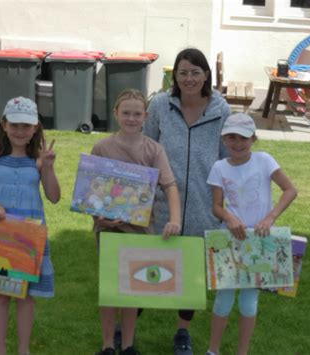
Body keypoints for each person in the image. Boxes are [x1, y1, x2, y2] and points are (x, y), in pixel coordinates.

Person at [143, 47, 231, 354]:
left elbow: (226, 160)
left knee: (192, 273)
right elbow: (146, 147)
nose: (189, 79)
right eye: (183, 73)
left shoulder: (222, 110)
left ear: (206, 74)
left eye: (195, 72)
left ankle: (183, 332)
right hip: (161, 201)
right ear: (174, 76)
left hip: (204, 204)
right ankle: (125, 326)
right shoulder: (159, 106)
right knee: (147, 262)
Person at [0, 96, 61, 355]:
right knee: (0, 292)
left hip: (28, 233)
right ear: (4, 125)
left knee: (25, 294)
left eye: (26, 126)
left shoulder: (39, 158)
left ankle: (23, 349)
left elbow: (53, 196)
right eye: (14, 125)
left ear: (35, 127)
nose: (19, 131)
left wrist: (48, 168)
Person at [92, 89, 182, 355]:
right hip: (107, 232)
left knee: (133, 287)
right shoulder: (102, 147)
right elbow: (91, 190)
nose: (131, 118)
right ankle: (108, 344)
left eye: (137, 114)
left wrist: (175, 219)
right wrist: (98, 217)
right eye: (126, 113)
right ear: (116, 113)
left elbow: (170, 185)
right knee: (109, 289)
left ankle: (128, 344)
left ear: (146, 116)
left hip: (140, 231)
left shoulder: (154, 149)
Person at [205, 113, 297, 355]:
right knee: (223, 300)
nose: (237, 143)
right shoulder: (219, 167)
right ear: (224, 139)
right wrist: (229, 217)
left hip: (259, 242)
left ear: (253, 138)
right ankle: (212, 350)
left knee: (249, 302)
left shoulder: (264, 160)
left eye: (243, 138)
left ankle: (242, 352)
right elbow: (216, 205)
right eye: (231, 137)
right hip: (229, 241)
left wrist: (270, 217)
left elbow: (289, 189)